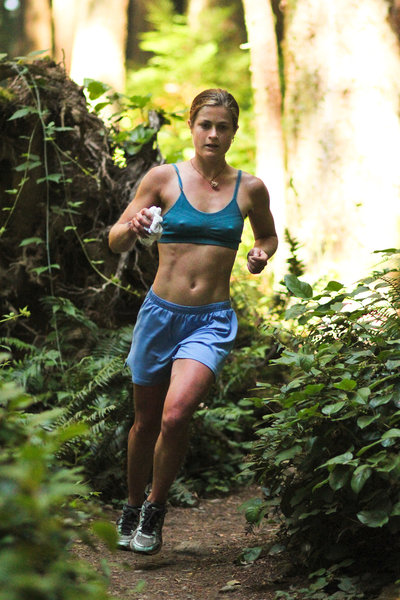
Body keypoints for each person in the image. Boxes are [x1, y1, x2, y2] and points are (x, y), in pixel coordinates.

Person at [108, 88, 278, 555]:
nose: (214, 134)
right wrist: (134, 226)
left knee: (177, 414)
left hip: (212, 320)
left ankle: (155, 510)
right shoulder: (163, 179)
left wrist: (261, 252)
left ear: (233, 132)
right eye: (206, 124)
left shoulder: (250, 188)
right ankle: (130, 503)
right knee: (145, 423)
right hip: (160, 315)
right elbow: (115, 240)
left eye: (223, 126)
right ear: (192, 125)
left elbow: (267, 233)